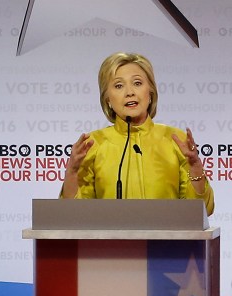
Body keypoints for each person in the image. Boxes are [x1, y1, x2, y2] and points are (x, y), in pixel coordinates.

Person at [61, 52, 214, 215]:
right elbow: (73, 216)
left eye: (137, 83)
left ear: (151, 93)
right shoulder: (92, 144)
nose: (129, 92)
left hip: (167, 240)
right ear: (107, 99)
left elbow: (202, 212)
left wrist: (196, 167)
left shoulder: (176, 140)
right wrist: (71, 172)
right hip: (110, 240)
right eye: (119, 86)